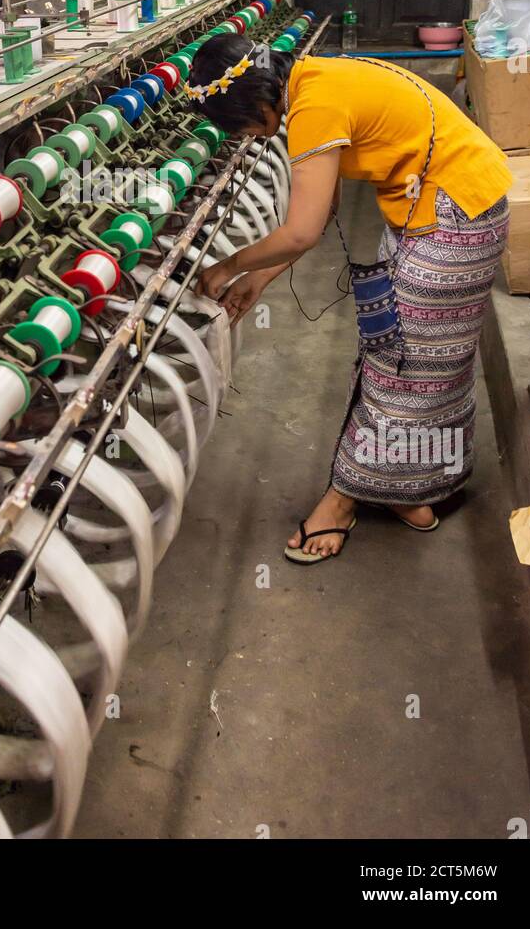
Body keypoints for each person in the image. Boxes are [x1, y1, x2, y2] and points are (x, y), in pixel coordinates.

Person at [188, 35, 511, 565]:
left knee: (398, 363)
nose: (246, 137)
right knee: (434, 364)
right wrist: (261, 279)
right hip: (456, 202)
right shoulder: (317, 77)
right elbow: (324, 208)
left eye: (240, 126)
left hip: (451, 217)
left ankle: (344, 500)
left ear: (254, 104)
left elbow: (299, 231)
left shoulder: (314, 106)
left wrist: (228, 266)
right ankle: (416, 491)